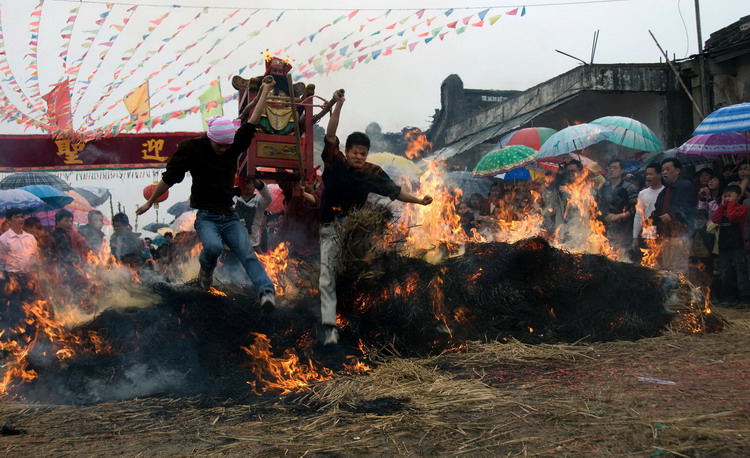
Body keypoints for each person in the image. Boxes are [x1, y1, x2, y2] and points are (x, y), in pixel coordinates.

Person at [136, 76, 277, 311]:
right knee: (213, 248)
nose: (224, 150)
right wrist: (150, 202)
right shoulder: (191, 149)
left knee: (247, 253)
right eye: (219, 145)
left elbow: (253, 119)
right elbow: (169, 178)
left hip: (230, 216)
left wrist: (266, 90)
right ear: (210, 138)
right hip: (207, 217)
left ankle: (266, 292)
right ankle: (205, 275)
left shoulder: (232, 144)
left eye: (227, 146)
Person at [319, 91, 433, 345]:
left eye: (363, 152)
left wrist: (419, 200)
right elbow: (331, 132)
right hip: (331, 228)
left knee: (365, 271)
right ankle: (329, 327)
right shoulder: (335, 163)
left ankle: (364, 318)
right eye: (354, 151)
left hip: (356, 231)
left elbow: (395, 192)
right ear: (346, 151)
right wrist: (337, 105)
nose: (358, 156)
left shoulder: (373, 172)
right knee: (328, 274)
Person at [651, 158, 696, 274]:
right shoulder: (664, 191)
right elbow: (657, 210)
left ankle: (682, 291)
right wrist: (652, 218)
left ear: (677, 170)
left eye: (668, 169)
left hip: (680, 234)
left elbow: (689, 208)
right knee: (666, 267)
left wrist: (672, 215)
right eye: (663, 170)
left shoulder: (686, 186)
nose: (664, 172)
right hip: (665, 234)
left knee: (679, 269)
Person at [711, 185, 749, 302]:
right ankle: (728, 297)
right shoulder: (723, 210)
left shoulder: (743, 208)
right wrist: (722, 205)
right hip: (724, 247)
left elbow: (733, 217)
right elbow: (715, 219)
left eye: (730, 196)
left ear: (737, 197)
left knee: (740, 273)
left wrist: (732, 203)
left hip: (738, 247)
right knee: (725, 274)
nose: (727, 199)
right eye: (725, 196)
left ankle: (744, 298)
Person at [597, 159, 638, 255]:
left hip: (623, 229)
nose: (611, 170)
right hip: (605, 227)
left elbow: (635, 209)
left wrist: (619, 216)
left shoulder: (628, 187)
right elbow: (599, 204)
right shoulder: (604, 186)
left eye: (615, 168)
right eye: (610, 168)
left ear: (622, 170)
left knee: (620, 255)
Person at [632, 163, 665, 254]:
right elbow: (638, 215)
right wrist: (635, 237)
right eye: (647, 174)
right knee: (649, 257)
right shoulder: (643, 193)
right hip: (648, 228)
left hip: (663, 229)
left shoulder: (665, 191)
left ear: (659, 175)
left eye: (651, 174)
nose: (648, 177)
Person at [234, 177, 272, 251]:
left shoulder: (259, 201)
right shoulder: (234, 197)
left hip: (252, 245)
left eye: (250, 183)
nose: (247, 185)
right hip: (233, 244)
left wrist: (255, 180)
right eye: (245, 182)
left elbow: (268, 198)